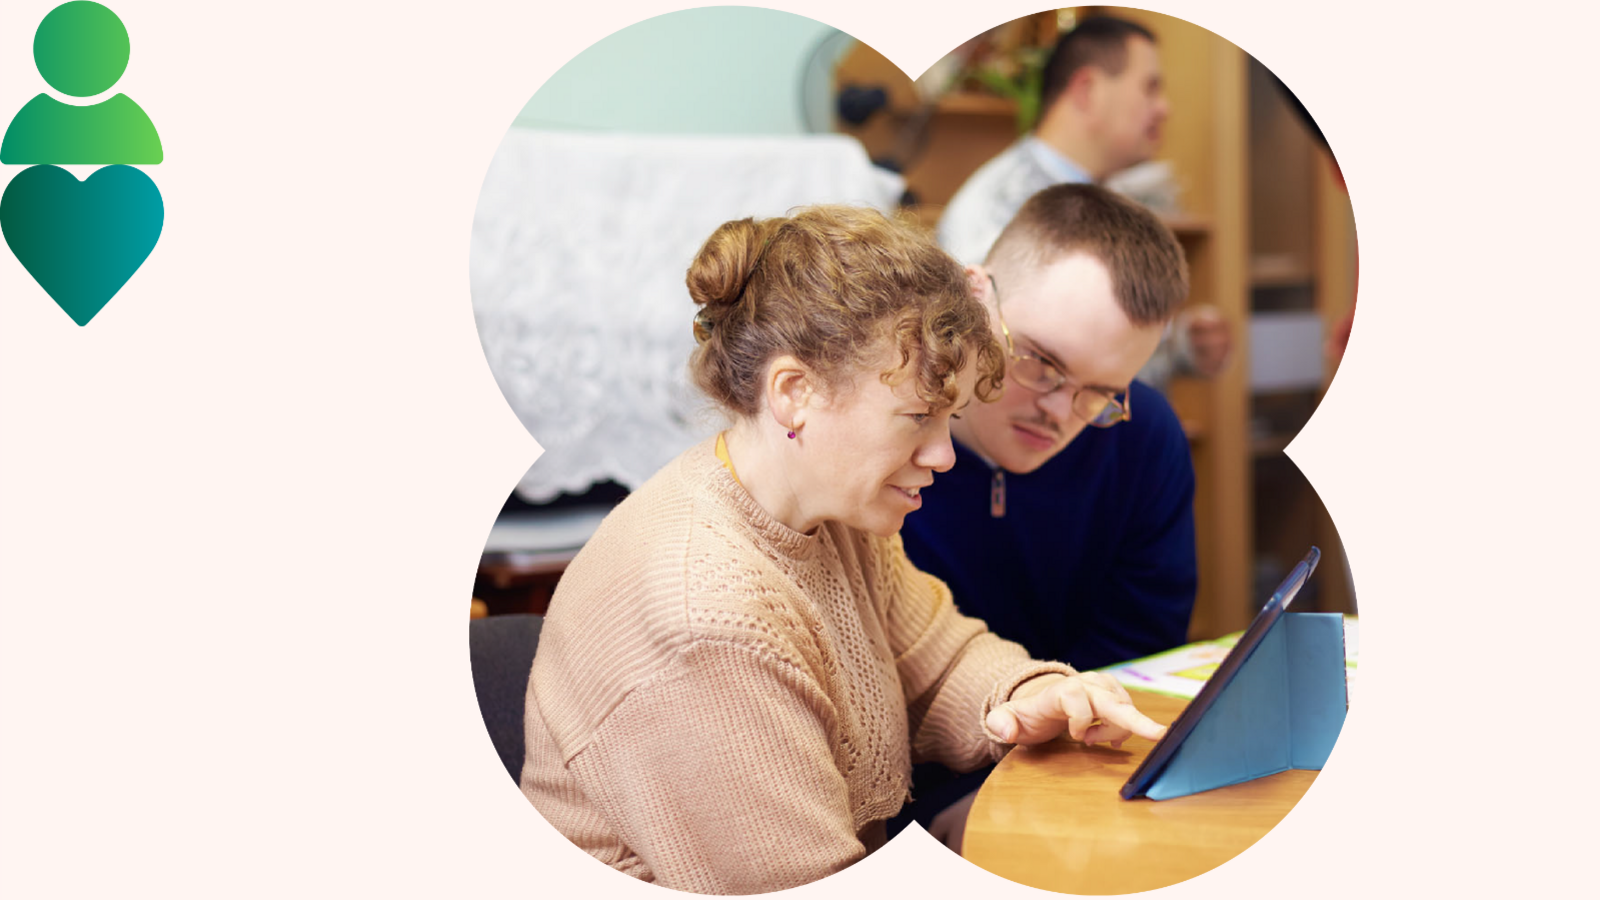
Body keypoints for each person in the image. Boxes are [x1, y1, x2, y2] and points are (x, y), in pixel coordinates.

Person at [518, 204, 1168, 894]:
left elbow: (941, 661)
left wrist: (1031, 691)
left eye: (948, 419)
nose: (944, 454)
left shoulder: (833, 516)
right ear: (795, 393)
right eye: (918, 417)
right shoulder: (704, 620)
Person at [893, 183, 1197, 850]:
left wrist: (1025, 789)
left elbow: (1136, 654)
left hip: (1074, 778)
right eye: (1039, 363)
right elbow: (869, 684)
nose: (1060, 413)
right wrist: (953, 805)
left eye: (1100, 393)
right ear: (975, 295)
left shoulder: (1143, 436)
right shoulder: (878, 440)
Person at [937, 14, 1227, 389]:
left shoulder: (1106, 201)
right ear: (1087, 89)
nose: (1164, 108)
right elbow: (1000, 369)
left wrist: (1179, 347)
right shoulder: (999, 207)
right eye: (1150, 88)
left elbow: (1097, 353)